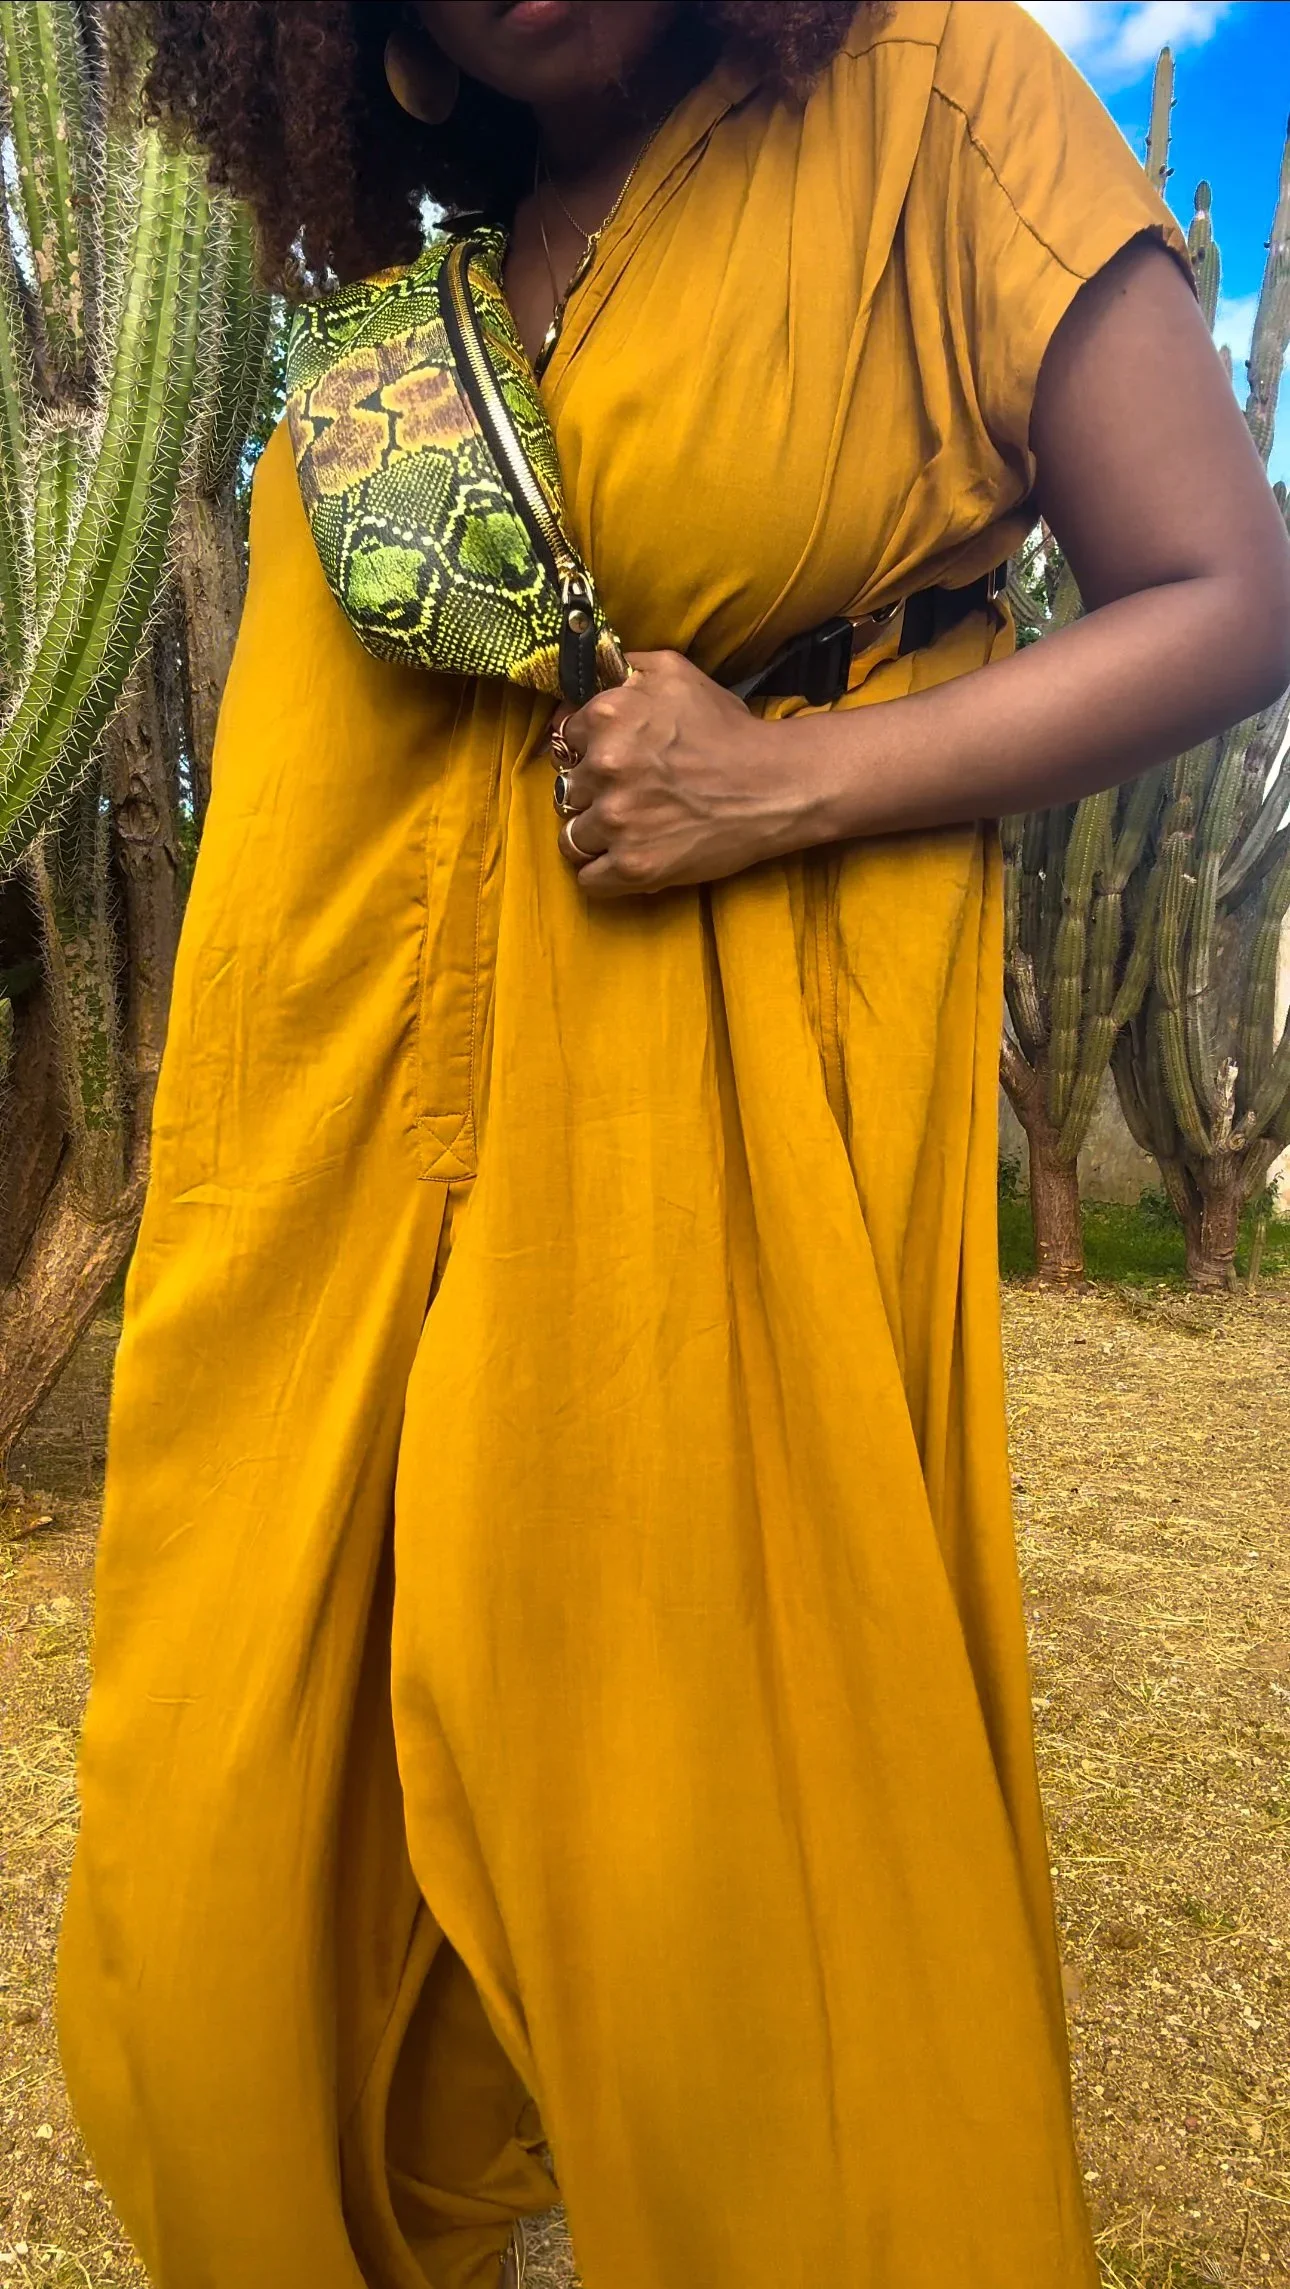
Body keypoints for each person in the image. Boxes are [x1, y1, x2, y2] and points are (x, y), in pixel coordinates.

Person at [57, 4, 1290, 2287]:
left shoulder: (933, 94)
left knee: (731, 1894)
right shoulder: (457, 274)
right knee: (237, 1851)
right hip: (339, 1146)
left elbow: (1231, 591)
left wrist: (782, 783)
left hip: (711, 1130)